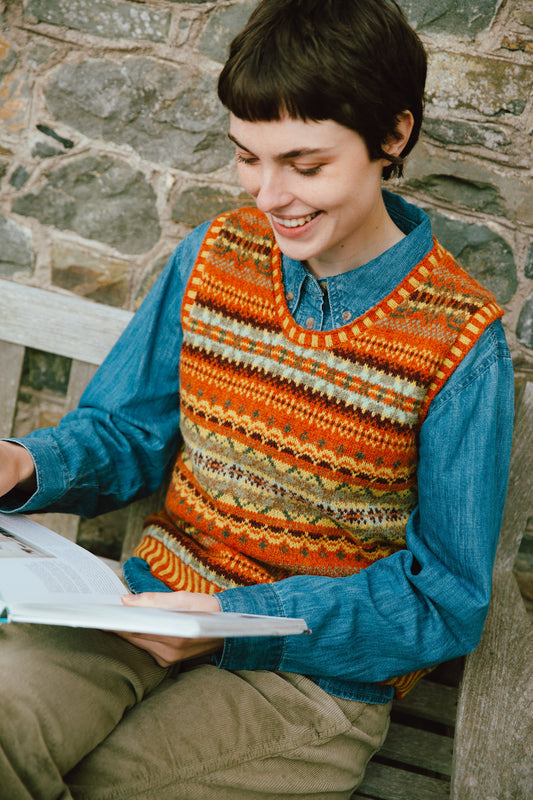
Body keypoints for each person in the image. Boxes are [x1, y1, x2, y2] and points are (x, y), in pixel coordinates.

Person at [0, 0, 514, 798]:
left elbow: (443, 597)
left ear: (392, 137)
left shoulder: (458, 342)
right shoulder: (213, 255)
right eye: (247, 158)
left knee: (107, 781)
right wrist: (26, 463)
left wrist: (234, 619)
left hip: (312, 677)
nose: (270, 196)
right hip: (144, 606)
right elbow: (129, 432)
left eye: (304, 165)